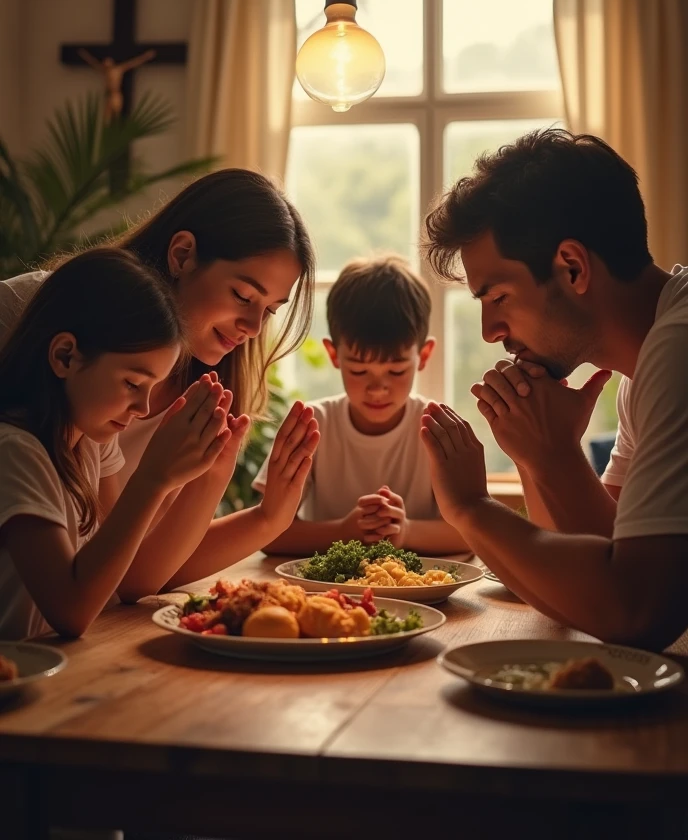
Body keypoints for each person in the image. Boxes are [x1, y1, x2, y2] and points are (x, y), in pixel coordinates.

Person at [421, 127, 688, 649]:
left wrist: (470, 506)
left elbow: (635, 612)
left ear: (572, 267)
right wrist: (541, 457)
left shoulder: (679, 351)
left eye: (497, 296)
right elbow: (599, 559)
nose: (489, 332)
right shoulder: (648, 367)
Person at [0, 169, 319, 600]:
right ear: (183, 254)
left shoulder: (207, 391)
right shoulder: (29, 311)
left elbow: (134, 574)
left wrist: (268, 516)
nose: (252, 327)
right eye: (244, 296)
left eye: (270, 311)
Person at [257, 255, 470, 556]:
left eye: (396, 371)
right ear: (333, 354)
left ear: (423, 355)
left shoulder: (439, 429)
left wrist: (406, 530)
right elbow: (267, 535)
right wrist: (342, 533)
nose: (378, 388)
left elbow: (470, 534)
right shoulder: (314, 424)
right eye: (358, 370)